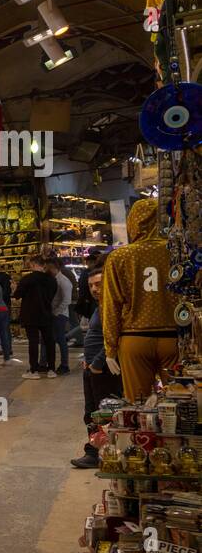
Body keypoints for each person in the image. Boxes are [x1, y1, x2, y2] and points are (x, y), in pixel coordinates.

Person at [102, 197, 178, 402]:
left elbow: (111, 306)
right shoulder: (176, 251)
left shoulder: (119, 257)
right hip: (174, 338)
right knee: (180, 402)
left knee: (138, 405)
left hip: (134, 339)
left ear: (132, 222)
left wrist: (110, 349)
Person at [72, 261, 122, 469]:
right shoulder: (100, 306)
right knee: (92, 411)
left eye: (99, 284)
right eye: (91, 285)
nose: (94, 289)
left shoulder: (112, 307)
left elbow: (114, 336)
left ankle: (103, 452)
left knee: (104, 411)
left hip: (102, 369)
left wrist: (97, 363)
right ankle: (96, 449)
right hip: (92, 367)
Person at [13, 255, 57, 379]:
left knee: (33, 342)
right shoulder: (51, 279)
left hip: (30, 314)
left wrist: (14, 288)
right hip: (46, 313)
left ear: (32, 264)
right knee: (49, 342)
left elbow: (17, 295)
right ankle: (51, 369)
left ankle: (34, 370)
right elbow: (53, 294)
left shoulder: (27, 279)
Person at [45, 257, 74, 374]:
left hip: (60, 315)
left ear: (53, 268)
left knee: (61, 339)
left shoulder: (63, 281)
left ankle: (64, 365)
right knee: (52, 339)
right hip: (54, 313)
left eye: (47, 268)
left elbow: (67, 300)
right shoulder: (53, 279)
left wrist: (56, 312)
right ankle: (47, 363)